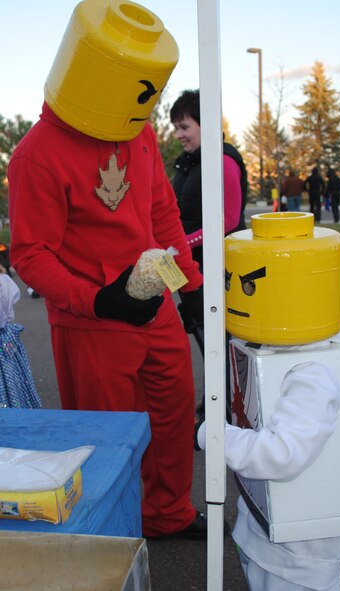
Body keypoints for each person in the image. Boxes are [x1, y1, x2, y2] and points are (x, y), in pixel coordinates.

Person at [7, 0, 207, 540]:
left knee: (170, 416)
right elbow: (30, 255)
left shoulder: (136, 130)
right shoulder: (35, 154)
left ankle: (169, 513)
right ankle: (115, 530)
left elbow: (161, 211)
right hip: (93, 324)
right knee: (109, 437)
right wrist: (98, 299)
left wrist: (190, 287)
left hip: (157, 308)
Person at [197, 212, 340, 590]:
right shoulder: (272, 348)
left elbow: (282, 454)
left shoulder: (313, 373)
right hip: (263, 528)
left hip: (299, 555)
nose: (233, 295)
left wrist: (213, 435)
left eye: (248, 287)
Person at [170, 89, 248, 420]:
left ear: (205, 124)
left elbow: (227, 222)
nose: (179, 134)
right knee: (203, 337)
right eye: (176, 127)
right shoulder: (190, 163)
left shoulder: (223, 160)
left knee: (221, 342)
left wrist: (179, 245)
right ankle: (215, 398)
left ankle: (227, 409)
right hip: (189, 269)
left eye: (184, 126)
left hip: (216, 272)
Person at [0, 273, 41, 409]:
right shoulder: (3, 282)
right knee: (12, 381)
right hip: (4, 339)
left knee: (7, 382)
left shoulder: (2, 283)